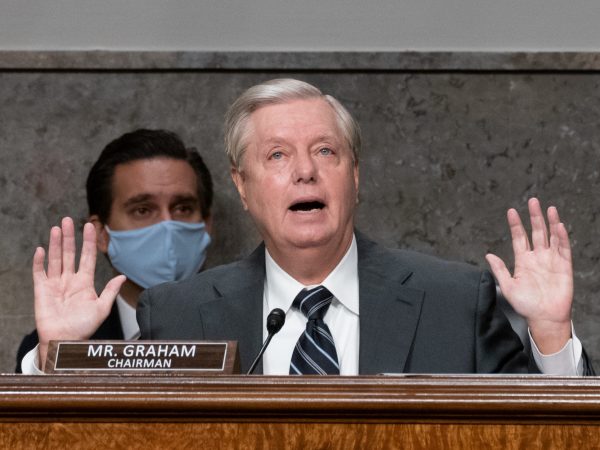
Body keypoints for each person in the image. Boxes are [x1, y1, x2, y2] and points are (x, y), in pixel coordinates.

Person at [29, 79, 592, 375]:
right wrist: (55, 358)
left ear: (355, 175)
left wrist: (550, 336)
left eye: (325, 151)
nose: (305, 171)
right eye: (277, 155)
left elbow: (542, 437)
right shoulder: (178, 314)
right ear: (243, 186)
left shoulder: (454, 301)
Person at [17, 129, 213, 373]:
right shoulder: (51, 346)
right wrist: (58, 357)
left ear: (206, 225)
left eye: (183, 208)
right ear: (101, 234)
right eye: (142, 210)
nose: (167, 226)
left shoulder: (247, 327)